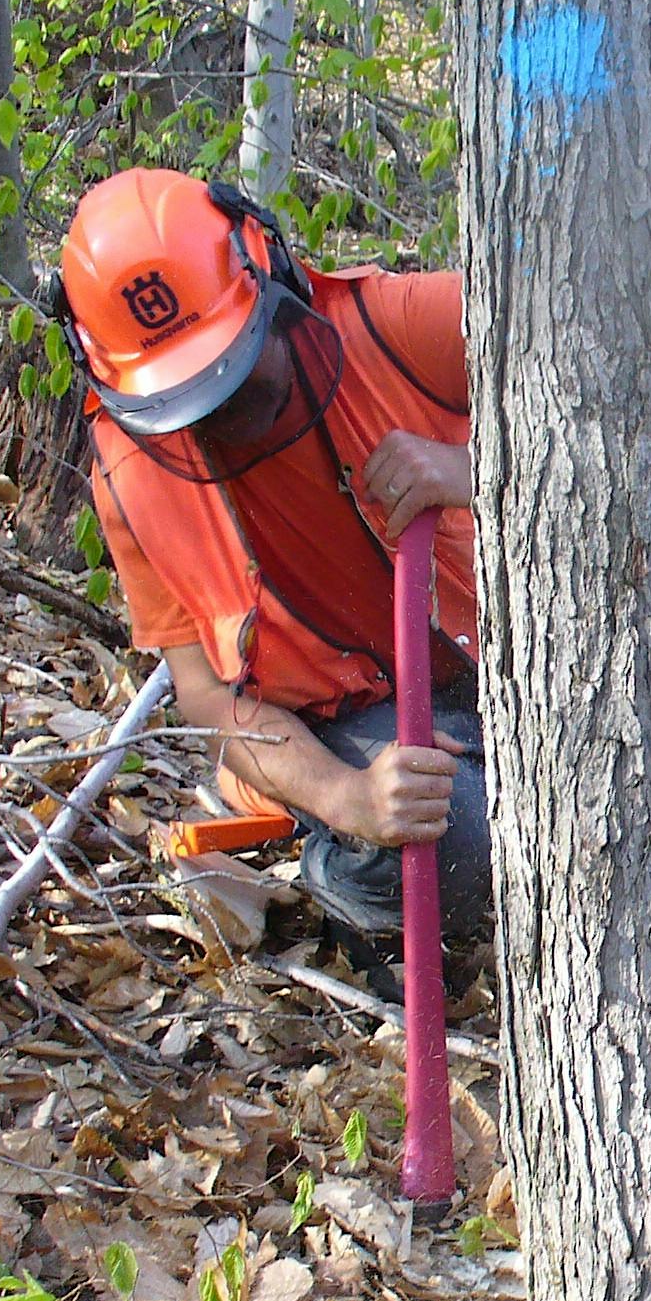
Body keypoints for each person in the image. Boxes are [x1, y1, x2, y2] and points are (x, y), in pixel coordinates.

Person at [53, 168, 489, 942]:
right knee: (459, 843)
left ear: (271, 273)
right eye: (183, 402)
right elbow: (206, 694)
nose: (222, 413)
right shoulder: (128, 480)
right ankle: (329, 861)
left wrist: (479, 472)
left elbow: (609, 380)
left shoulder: (396, 326)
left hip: (492, 659)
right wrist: (348, 798)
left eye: (234, 370)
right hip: (334, 721)